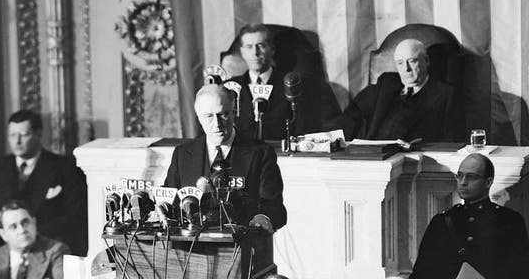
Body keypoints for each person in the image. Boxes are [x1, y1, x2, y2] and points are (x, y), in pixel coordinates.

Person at [164, 84, 287, 232]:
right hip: (191, 249)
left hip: (242, 246)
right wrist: (162, 208)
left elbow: (275, 208)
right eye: (209, 116)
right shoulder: (182, 154)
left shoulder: (261, 153)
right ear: (199, 118)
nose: (217, 124)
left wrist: (263, 218)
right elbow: (170, 200)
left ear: (234, 112)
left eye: (223, 114)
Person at [0, 110, 87, 263]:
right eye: (12, 135)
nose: (17, 141)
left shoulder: (64, 167)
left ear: (39, 134)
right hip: (2, 249)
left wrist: (29, 238)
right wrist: (9, 239)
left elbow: (74, 216)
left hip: (47, 251)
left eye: (24, 134)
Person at [410, 153, 529, 279]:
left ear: (488, 182)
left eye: (471, 177)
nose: (463, 182)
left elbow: (521, 272)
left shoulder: (509, 221)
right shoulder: (441, 222)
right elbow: (421, 273)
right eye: (460, 176)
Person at [328, 39, 460, 141]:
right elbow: (353, 112)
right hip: (376, 154)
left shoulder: (446, 93)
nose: (406, 69)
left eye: (412, 61)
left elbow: (452, 137)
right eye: (400, 63)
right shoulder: (386, 84)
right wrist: (333, 140)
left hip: (415, 159)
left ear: (426, 61)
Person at [227, 24, 327, 140]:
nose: (255, 52)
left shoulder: (292, 85)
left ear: (272, 49)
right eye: (249, 47)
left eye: (261, 46)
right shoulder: (231, 87)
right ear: (242, 52)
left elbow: (303, 127)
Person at [0, 200, 69, 279]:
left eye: (25, 223)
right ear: (3, 234)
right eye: (13, 227)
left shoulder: (55, 251)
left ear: (34, 223)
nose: (22, 230)